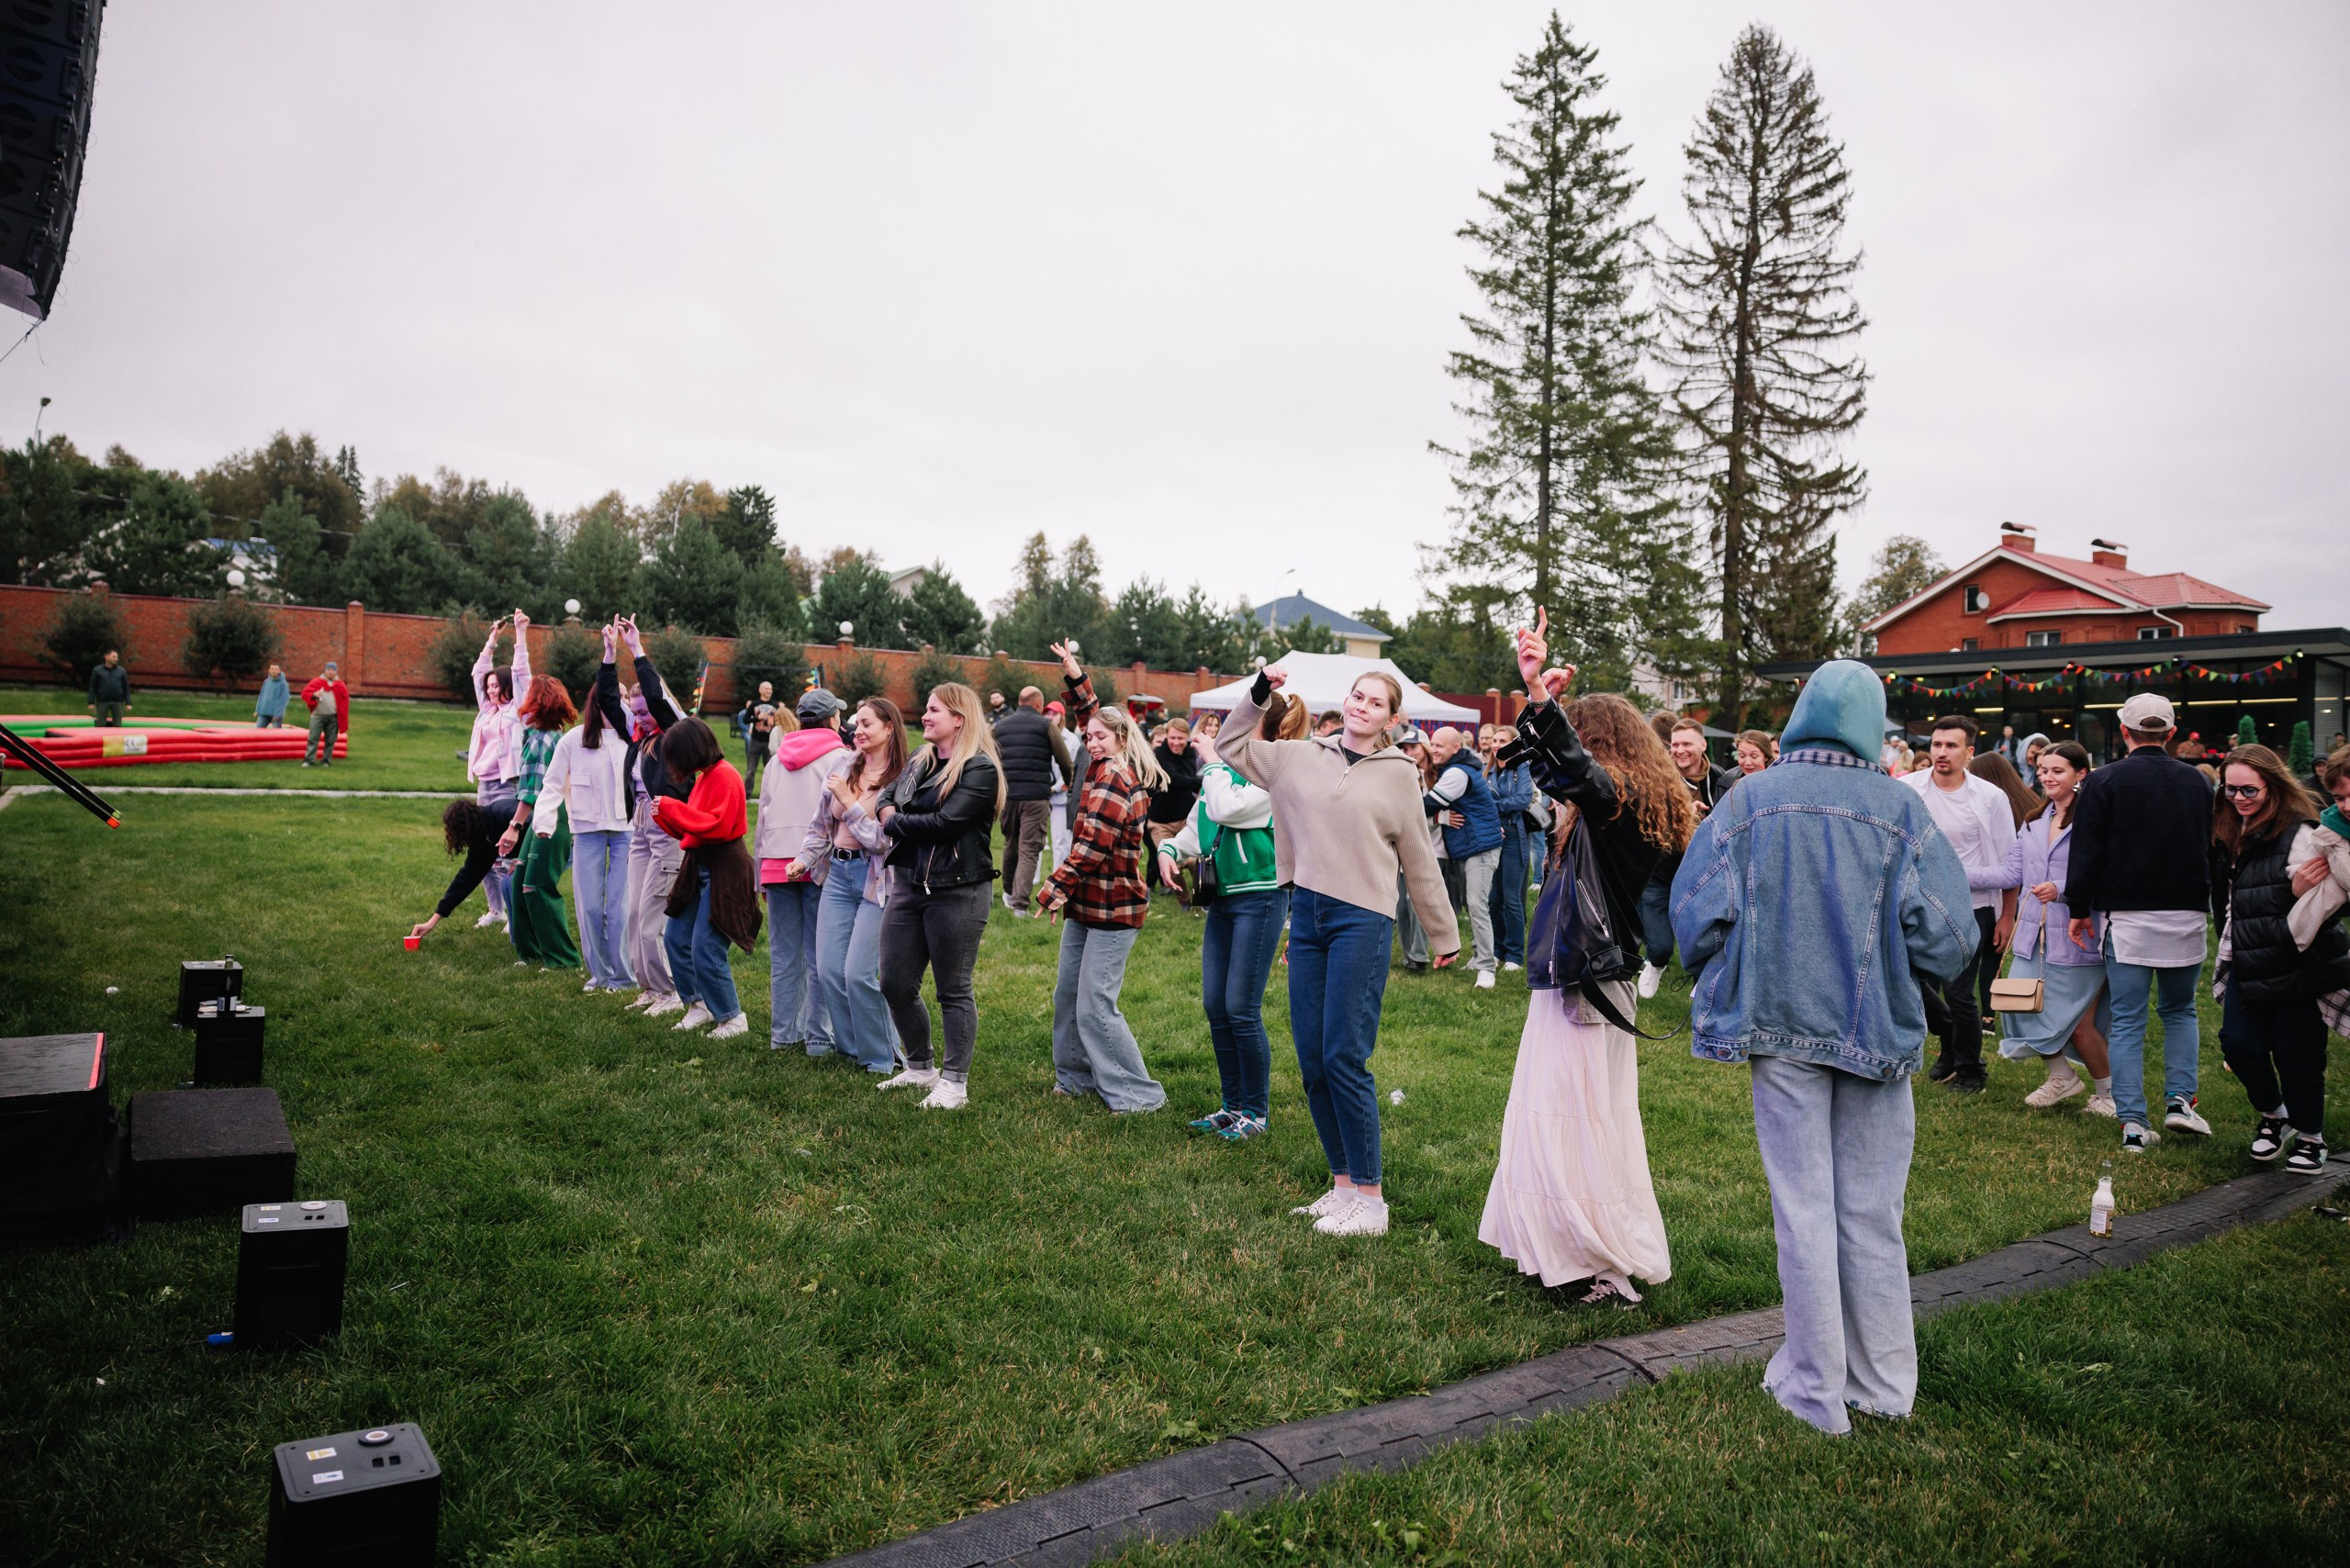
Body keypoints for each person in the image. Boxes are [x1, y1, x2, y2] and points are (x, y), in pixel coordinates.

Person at [1672, 658, 1974, 1436]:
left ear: (1802, 714)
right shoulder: (1900, 810)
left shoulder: (1748, 800)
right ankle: (1883, 1387)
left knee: (1803, 1208)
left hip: (1778, 1024)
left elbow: (1695, 916)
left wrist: (1723, 968)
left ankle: (1814, 1390)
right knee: (1874, 1213)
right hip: (1876, 1029)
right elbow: (1948, 938)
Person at [1482, 615, 1695, 1305]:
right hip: (1587, 973)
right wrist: (1538, 711)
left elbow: (1575, 773)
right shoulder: (1635, 799)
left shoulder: (1619, 803)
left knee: (1569, 1117)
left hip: (1589, 979)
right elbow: (1550, 768)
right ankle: (1563, 1246)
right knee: (1562, 1112)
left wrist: (1539, 698)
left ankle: (1586, 1257)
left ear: (1601, 744)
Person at [1219, 659, 1457, 1238]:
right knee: (1311, 1059)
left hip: (1364, 921)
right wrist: (1258, 695)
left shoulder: (1401, 774)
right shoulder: (1301, 756)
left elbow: (1419, 858)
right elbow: (1230, 745)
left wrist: (1443, 931)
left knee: (1343, 1057)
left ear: (1391, 719)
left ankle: (1372, 1202)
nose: (1362, 707)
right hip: (1308, 917)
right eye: (1357, 696)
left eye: (1375, 703)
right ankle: (1343, 1186)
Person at [2065, 692, 2216, 1155]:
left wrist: (2076, 909)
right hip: (2185, 911)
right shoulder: (2198, 783)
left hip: (2128, 915)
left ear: (2125, 732)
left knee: (2129, 1020)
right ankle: (2179, 1100)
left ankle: (2133, 1122)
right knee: (2179, 1010)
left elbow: (2086, 850)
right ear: (2170, 733)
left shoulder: (2105, 781)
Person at [1158, 694, 1306, 1140]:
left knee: (1241, 1008)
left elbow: (1227, 808)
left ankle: (1255, 1114)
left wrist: (1213, 764)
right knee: (1215, 1006)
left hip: (1260, 898)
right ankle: (1231, 1106)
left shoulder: (1275, 772)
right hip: (1222, 897)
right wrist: (1170, 849)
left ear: (1258, 727)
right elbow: (1200, 818)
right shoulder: (1228, 771)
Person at [1037, 646, 1169, 1114]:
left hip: (1115, 909)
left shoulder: (1117, 779)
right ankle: (1075, 1079)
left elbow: (1092, 848)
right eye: (1087, 736)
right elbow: (1091, 713)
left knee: (1095, 1004)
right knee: (1068, 995)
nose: (1091, 741)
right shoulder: (1099, 760)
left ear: (1120, 739)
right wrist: (1076, 675)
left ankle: (1138, 1096)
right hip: (1087, 904)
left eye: (1099, 738)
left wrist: (1054, 888)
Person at [2212, 745, 2346, 1176]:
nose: (2238, 798)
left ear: (2272, 785)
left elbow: (2329, 899)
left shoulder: (2301, 833)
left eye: (2248, 789)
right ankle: (2275, 1114)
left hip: (2297, 962)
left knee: (2298, 1054)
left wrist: (2290, 895)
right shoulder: (2231, 825)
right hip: (2248, 956)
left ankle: (2310, 1135)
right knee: (2238, 1042)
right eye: (2230, 790)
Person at [873, 682, 1003, 1109]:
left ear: (958, 720)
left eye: (934, 711)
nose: (925, 716)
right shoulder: (920, 759)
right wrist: (892, 811)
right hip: (909, 885)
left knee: (953, 988)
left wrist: (893, 822)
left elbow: (946, 823)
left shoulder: (979, 769)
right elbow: (888, 795)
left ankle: (954, 1083)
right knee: (894, 982)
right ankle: (919, 1067)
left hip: (958, 890)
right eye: (926, 709)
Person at [1993, 743, 2116, 1114]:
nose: (2047, 776)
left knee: (2080, 1023)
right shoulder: (2033, 819)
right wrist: (1953, 871)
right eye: (2044, 769)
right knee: (2016, 1005)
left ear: (2081, 773)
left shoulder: (2095, 819)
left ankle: (2108, 1095)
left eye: (2057, 770)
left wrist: (2062, 891)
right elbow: (2010, 873)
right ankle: (2062, 1076)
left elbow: (2106, 876)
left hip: (2080, 937)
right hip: (2032, 936)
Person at [1902, 716, 2020, 1093]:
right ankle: (1951, 1042)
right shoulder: (1907, 789)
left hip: (1971, 908)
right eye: (1936, 745)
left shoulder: (1989, 797)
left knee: (1957, 990)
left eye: (1951, 746)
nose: (1941, 752)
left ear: (1969, 752)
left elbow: (2009, 863)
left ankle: (1971, 1069)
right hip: (1916, 904)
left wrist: (2007, 915)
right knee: (1910, 981)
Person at [794, 698, 904, 1075]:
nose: (857, 729)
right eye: (856, 723)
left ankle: (882, 1057)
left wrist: (850, 802)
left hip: (876, 881)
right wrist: (804, 859)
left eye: (867, 724)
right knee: (827, 970)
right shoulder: (844, 764)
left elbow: (884, 842)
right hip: (837, 877)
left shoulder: (901, 778)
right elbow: (821, 824)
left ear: (889, 728)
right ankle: (851, 1047)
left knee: (858, 973)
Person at [650, 716, 758, 1037]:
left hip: (725, 867)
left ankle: (732, 1016)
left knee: (705, 946)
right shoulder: (704, 778)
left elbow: (718, 825)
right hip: (699, 866)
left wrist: (671, 807)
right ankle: (699, 1005)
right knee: (676, 938)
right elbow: (693, 828)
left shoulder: (725, 775)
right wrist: (665, 815)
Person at [542, 630, 636, 991]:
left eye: (627, 697)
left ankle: (623, 977)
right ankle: (600, 974)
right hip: (587, 830)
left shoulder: (633, 739)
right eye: (616, 697)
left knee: (620, 908)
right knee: (591, 908)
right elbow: (551, 784)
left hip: (627, 831)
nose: (622, 703)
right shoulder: (574, 740)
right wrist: (545, 822)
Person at [601, 617, 686, 1014]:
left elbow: (657, 697)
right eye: (635, 711)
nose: (639, 716)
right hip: (639, 823)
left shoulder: (674, 734)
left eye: (645, 710)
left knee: (653, 912)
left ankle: (669, 992)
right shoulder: (640, 738)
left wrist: (636, 650)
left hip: (668, 828)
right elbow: (606, 702)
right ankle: (649, 987)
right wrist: (608, 654)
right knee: (634, 911)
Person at [755, 700, 844, 1055]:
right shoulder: (841, 758)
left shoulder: (777, 758)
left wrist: (760, 869)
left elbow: (762, 813)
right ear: (833, 719)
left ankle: (783, 1033)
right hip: (820, 862)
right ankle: (819, 1038)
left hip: (777, 862)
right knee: (819, 952)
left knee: (784, 953)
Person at [1637, 719, 1738, 998]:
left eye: (1686, 744)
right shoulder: (1658, 780)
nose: (1679, 750)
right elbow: (1646, 825)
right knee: (1659, 944)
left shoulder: (1723, 779)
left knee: (1704, 936)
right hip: (1662, 871)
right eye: (1675, 745)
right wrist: (1682, 816)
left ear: (1703, 745)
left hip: (1703, 874)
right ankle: (1655, 963)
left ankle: (1701, 981)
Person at [502, 674, 582, 971]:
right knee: (521, 881)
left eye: (529, 698)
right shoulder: (543, 735)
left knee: (537, 886)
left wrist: (514, 827)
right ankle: (531, 952)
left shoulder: (544, 740)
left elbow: (533, 791)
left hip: (553, 817)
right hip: (544, 817)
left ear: (538, 703)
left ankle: (562, 959)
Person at [1426, 724, 1504, 988]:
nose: (1433, 749)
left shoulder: (1457, 773)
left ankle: (1486, 967)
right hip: (1472, 845)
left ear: (1455, 748)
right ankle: (1481, 956)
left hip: (1480, 847)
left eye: (1439, 746)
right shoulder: (1459, 768)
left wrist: (1436, 815)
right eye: (1432, 744)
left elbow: (1427, 805)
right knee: (1474, 905)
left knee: (1478, 905)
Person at [466, 616, 532, 929]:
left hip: (507, 786)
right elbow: (479, 670)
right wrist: (492, 638)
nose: (491, 690)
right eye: (489, 687)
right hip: (485, 785)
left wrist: (519, 633)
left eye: (496, 685)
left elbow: (522, 673)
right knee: (484, 849)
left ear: (507, 686)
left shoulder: (517, 710)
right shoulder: (487, 710)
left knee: (507, 850)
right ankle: (496, 909)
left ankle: (514, 910)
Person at [407, 798, 523, 946]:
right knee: (510, 884)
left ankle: (544, 947)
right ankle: (526, 945)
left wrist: (521, 860)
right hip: (531, 857)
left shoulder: (501, 812)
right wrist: (432, 922)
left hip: (553, 842)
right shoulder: (483, 841)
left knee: (513, 883)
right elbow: (465, 881)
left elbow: (534, 824)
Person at [993, 686, 1059, 916]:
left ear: (1019, 702)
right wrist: (1068, 780)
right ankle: (1020, 906)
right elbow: (1065, 760)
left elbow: (989, 759)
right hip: (1035, 797)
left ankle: (1009, 892)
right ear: (1039, 705)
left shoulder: (999, 726)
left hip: (1008, 796)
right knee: (1029, 849)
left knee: (1011, 843)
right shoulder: (1046, 725)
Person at [1485, 722, 1536, 973]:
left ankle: (1515, 954)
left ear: (1514, 745)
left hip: (1515, 835)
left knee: (1512, 899)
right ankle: (1497, 949)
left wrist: (1493, 806)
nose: (1496, 746)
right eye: (1494, 741)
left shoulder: (1521, 768)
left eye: (1502, 741)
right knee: (1494, 899)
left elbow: (1523, 799)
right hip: (1493, 835)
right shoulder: (1489, 772)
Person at [1147, 717, 1203, 871]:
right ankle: (1184, 896)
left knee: (1196, 862)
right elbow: (1172, 779)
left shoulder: (1191, 753)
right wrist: (1202, 782)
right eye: (1172, 738)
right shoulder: (1159, 753)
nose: (1176, 742)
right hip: (1161, 821)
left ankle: (1201, 895)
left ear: (1188, 737)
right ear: (1166, 735)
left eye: (1181, 738)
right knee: (1171, 867)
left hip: (1185, 817)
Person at [300, 661, 349, 767]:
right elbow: (305, 693)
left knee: (330, 739)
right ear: (325, 670)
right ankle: (309, 760)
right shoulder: (316, 682)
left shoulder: (340, 685)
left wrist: (342, 715)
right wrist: (313, 694)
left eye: (333, 670)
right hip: (318, 715)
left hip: (333, 716)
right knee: (313, 738)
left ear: (336, 672)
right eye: (329, 670)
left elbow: (345, 701)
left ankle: (326, 760)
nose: (331, 672)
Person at [737, 679, 781, 791]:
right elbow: (746, 719)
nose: (769, 691)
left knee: (771, 769)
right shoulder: (754, 704)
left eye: (770, 689)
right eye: (766, 689)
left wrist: (774, 721)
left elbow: (781, 721)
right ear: (760, 690)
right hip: (756, 740)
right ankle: (747, 792)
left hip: (770, 741)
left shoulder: (775, 705)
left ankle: (771, 792)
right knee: (751, 769)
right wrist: (757, 718)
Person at [86, 649, 129, 726]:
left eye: (117, 657)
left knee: (117, 724)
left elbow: (126, 687)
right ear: (106, 657)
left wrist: (128, 702)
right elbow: (92, 687)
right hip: (102, 701)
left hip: (118, 701)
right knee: (100, 723)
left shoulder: (121, 671)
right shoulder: (97, 670)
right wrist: (91, 701)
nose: (116, 659)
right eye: (113, 656)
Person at [253, 664, 289, 728]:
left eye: (276, 669)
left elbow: (283, 700)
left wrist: (278, 714)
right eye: (272, 669)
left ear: (279, 671)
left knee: (276, 735)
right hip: (264, 712)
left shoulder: (283, 684)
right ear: (269, 670)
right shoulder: (266, 682)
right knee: (258, 732)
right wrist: (257, 709)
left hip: (275, 715)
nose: (274, 671)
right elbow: (261, 696)